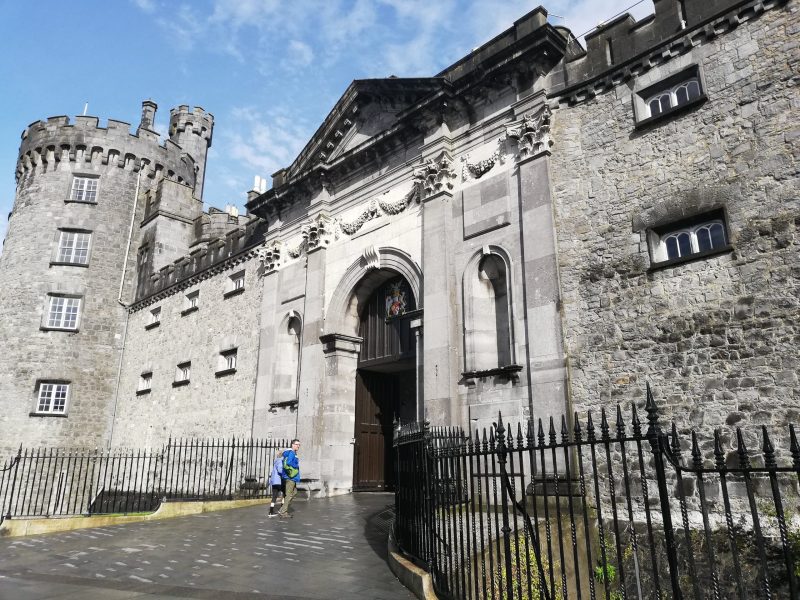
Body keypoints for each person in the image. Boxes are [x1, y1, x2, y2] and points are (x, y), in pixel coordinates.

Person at [277, 439, 301, 518]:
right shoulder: (291, 453)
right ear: (293, 445)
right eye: (297, 444)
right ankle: (283, 512)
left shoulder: (290, 452)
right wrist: (296, 466)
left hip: (289, 477)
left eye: (299, 445)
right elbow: (288, 463)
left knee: (294, 493)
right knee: (289, 495)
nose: (298, 446)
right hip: (291, 477)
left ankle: (282, 509)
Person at [267, 451, 285, 517]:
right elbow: (280, 470)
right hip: (279, 481)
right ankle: (282, 510)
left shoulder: (276, 461)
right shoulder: (280, 461)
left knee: (274, 496)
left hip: (274, 481)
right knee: (285, 495)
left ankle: (271, 511)